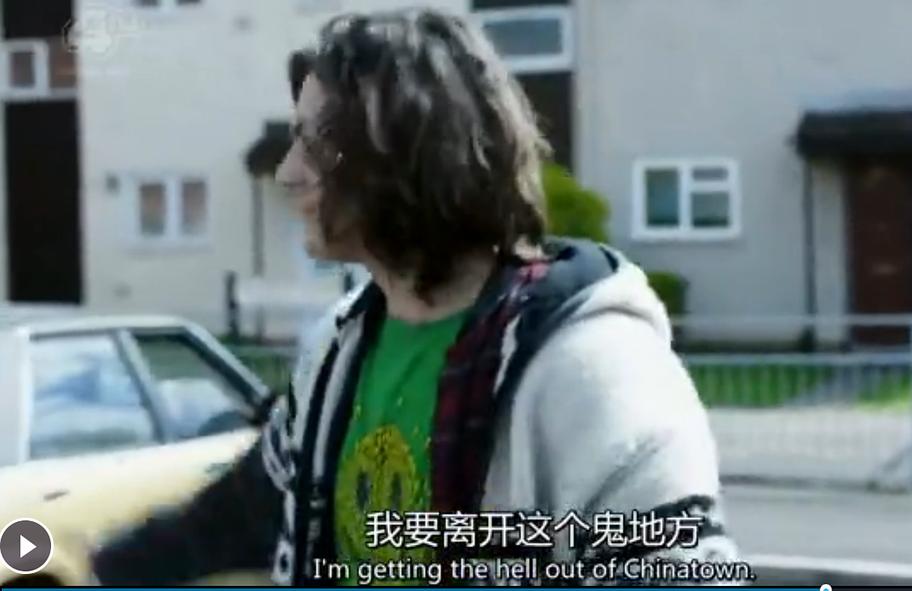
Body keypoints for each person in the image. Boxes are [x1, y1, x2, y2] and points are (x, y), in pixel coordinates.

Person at [92, 6, 738, 586]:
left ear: (408, 157)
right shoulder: (339, 348)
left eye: (315, 144)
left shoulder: (595, 368)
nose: (289, 172)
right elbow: (253, 505)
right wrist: (103, 568)